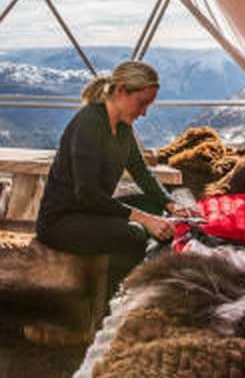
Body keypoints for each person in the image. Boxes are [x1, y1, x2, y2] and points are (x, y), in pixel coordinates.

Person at [36, 60, 196, 298]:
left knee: (156, 206)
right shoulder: (89, 124)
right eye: (141, 103)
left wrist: (170, 204)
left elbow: (141, 172)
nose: (144, 112)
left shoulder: (123, 127)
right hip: (63, 221)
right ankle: (116, 299)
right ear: (121, 91)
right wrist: (144, 219)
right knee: (136, 232)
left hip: (91, 211)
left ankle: (153, 263)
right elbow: (87, 194)